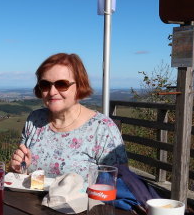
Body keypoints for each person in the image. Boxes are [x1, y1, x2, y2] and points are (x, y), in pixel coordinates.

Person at [9, 53, 128, 181]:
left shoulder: (102, 129)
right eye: (45, 85)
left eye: (61, 84)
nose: (52, 92)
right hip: (29, 201)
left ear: (79, 86)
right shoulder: (35, 120)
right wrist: (18, 169)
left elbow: (121, 182)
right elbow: (21, 175)